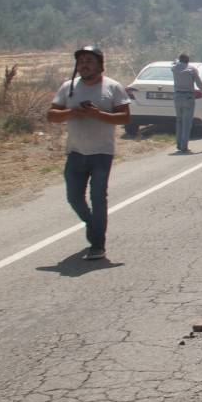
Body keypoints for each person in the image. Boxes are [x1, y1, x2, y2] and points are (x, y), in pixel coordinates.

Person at [46, 46, 131, 261]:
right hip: (75, 151)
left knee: (98, 198)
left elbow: (124, 118)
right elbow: (52, 115)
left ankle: (97, 244)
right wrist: (73, 112)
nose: (84, 64)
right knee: (74, 198)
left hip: (102, 152)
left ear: (100, 65)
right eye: (81, 61)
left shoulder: (113, 87)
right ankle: (93, 226)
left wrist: (98, 114)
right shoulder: (68, 87)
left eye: (89, 61)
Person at [172, 53, 202, 153]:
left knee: (179, 120)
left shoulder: (175, 69)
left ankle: (179, 144)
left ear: (180, 60)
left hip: (177, 96)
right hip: (188, 97)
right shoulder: (192, 70)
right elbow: (199, 82)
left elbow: (175, 63)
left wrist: (177, 61)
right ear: (188, 61)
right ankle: (184, 146)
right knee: (186, 122)